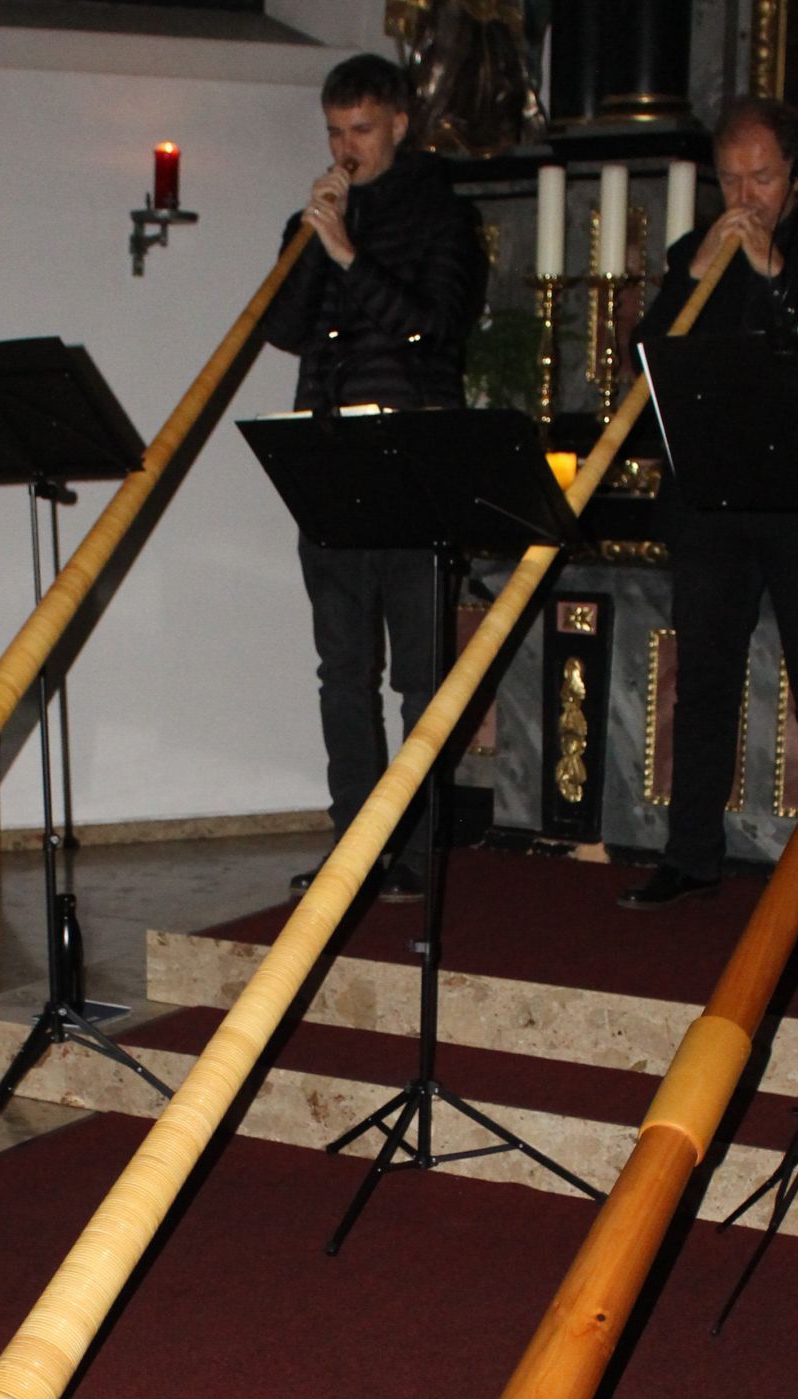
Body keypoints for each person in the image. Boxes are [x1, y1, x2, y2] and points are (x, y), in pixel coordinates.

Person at [619, 97, 798, 922]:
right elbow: (647, 370)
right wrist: (693, 277)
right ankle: (691, 854)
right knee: (701, 684)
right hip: (711, 501)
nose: (744, 196)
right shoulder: (690, 254)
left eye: (763, 177)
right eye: (731, 178)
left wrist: (772, 276)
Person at [264, 53, 487, 897]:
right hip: (327, 456)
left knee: (421, 676)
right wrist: (314, 243)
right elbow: (282, 328)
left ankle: (420, 847)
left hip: (414, 456)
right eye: (333, 131)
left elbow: (434, 326)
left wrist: (350, 253)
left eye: (361, 129)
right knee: (342, 667)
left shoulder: (444, 217)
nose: (346, 147)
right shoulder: (319, 218)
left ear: (398, 123)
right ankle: (353, 845)